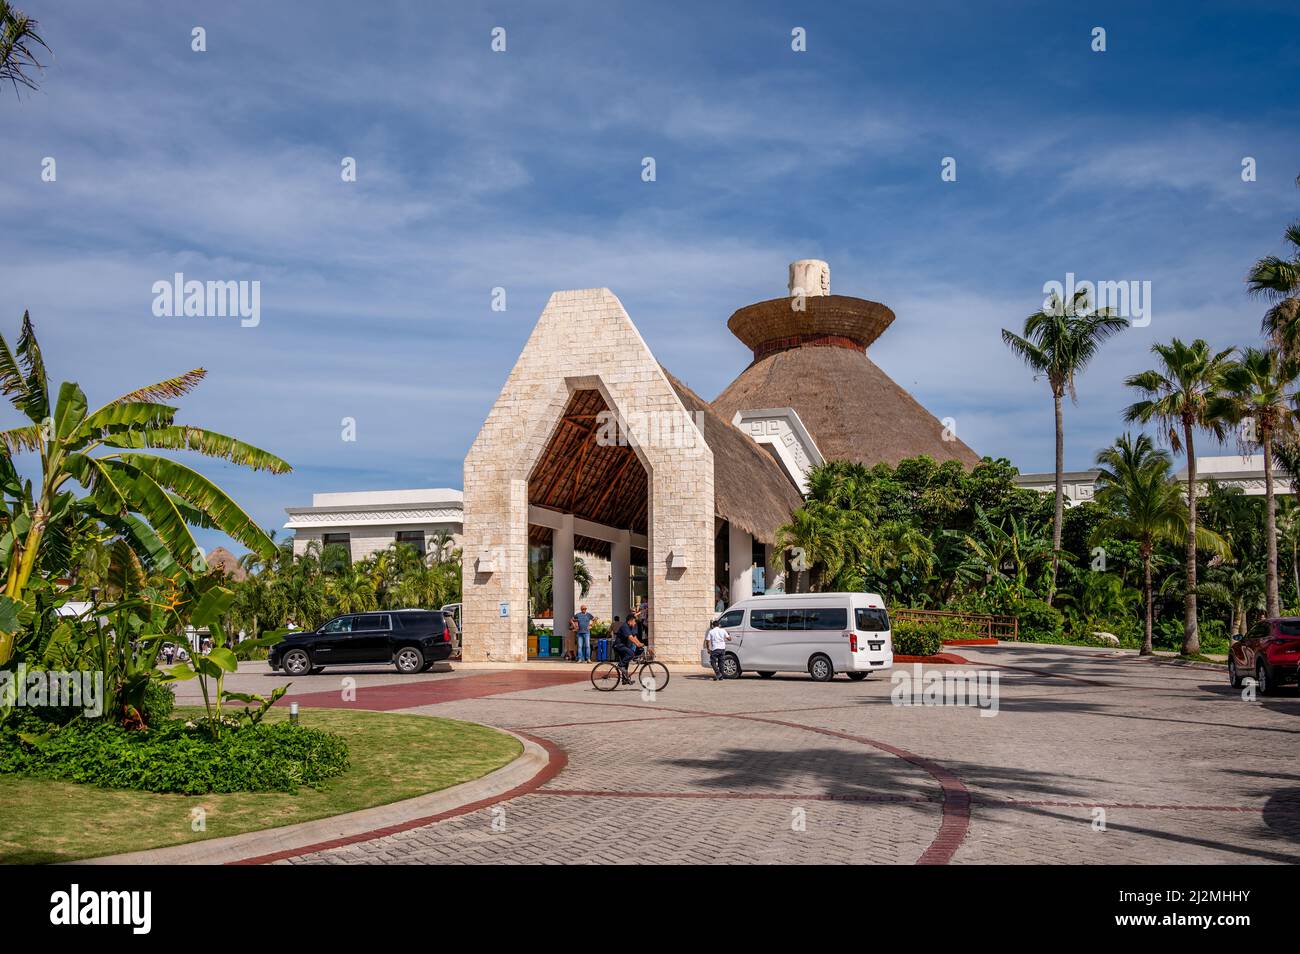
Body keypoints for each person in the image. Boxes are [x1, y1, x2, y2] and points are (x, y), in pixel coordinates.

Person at [611, 615, 643, 683]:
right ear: (630, 621)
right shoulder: (624, 626)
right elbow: (630, 637)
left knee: (626, 662)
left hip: (623, 646)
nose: (635, 623)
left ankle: (625, 679)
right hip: (618, 646)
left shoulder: (630, 627)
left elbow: (634, 637)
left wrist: (640, 643)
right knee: (631, 653)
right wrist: (637, 644)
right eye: (634, 621)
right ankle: (620, 665)